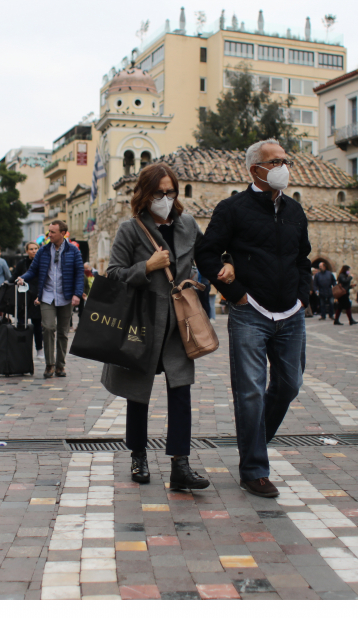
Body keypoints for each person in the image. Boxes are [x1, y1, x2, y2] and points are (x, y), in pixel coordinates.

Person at [195, 138, 311, 498]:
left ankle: (254, 442)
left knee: (289, 385)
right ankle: (254, 470)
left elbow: (303, 258)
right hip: (251, 313)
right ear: (255, 169)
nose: (283, 167)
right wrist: (236, 294)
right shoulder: (232, 209)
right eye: (275, 162)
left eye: (285, 161)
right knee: (250, 393)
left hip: (290, 313)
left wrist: (303, 297)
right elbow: (206, 253)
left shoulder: (295, 211)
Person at [102, 162, 216, 490]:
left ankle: (181, 464)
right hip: (143, 322)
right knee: (137, 393)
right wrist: (147, 266)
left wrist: (223, 269)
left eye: (171, 192)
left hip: (180, 323)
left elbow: (207, 256)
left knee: (181, 390)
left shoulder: (188, 224)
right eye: (159, 193)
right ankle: (138, 455)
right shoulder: (130, 229)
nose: (165, 198)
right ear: (145, 194)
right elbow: (113, 274)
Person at [16, 220, 84, 379]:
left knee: (63, 332)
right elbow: (33, 270)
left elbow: (79, 274)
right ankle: (49, 364)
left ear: (62, 233)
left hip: (66, 296)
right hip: (47, 296)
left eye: (53, 232)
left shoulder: (73, 251)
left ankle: (60, 365)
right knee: (47, 327)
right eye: (49, 231)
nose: (49, 235)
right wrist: (22, 278)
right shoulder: (43, 251)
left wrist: (77, 294)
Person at [12, 242, 45, 361]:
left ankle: (39, 348)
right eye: (31, 249)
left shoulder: (42, 262)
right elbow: (14, 277)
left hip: (37, 296)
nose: (34, 251)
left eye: (36, 248)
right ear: (27, 251)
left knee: (37, 325)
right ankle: (22, 349)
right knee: (22, 324)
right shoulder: (22, 263)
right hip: (24, 297)